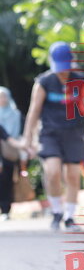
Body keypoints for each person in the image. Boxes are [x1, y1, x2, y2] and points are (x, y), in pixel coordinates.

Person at [21, 42, 84, 231]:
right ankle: (57, 210)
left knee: (72, 175)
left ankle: (69, 217)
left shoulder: (80, 81)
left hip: (74, 132)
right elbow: (34, 111)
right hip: (49, 133)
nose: (63, 72)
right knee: (52, 171)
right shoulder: (44, 82)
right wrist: (27, 137)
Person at [0, 87, 23, 220]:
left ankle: (5, 209)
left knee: (6, 181)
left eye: (4, 96)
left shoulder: (16, 114)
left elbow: (9, 138)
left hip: (9, 154)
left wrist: (26, 147)